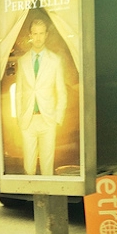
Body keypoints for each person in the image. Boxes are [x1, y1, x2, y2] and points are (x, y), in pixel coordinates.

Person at [15, 17, 67, 175]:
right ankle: (31, 198)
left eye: (41, 33)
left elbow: (61, 91)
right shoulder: (22, 61)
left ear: (46, 35)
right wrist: (19, 117)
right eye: (35, 33)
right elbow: (18, 92)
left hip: (47, 119)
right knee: (28, 166)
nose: (38, 37)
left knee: (47, 165)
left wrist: (58, 118)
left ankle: (48, 198)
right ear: (30, 35)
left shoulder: (55, 60)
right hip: (28, 120)